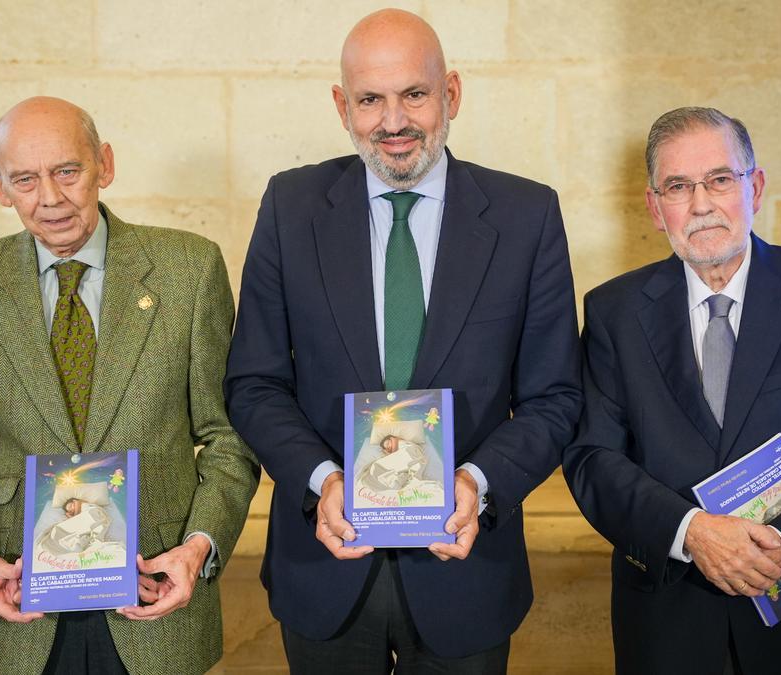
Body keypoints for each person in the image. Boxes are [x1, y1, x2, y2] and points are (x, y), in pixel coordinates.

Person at [224, 8, 582, 672]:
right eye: (370, 100)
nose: (393, 121)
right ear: (342, 106)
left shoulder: (527, 217)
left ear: (451, 94)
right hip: (324, 566)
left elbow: (555, 397)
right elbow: (254, 383)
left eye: (414, 94)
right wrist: (322, 480)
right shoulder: (289, 208)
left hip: (466, 569)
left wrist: (478, 482)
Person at [0, 96, 259, 675]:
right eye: (25, 179)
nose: (49, 198)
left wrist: (198, 547)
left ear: (105, 163)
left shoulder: (189, 268)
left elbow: (228, 438)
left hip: (155, 600)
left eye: (67, 171)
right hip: (20, 611)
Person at [563, 106, 781, 674]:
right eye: (678, 186)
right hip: (667, 626)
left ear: (756, 186)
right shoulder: (613, 311)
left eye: (720, 180)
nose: (701, 205)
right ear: (655, 206)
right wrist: (692, 533)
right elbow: (592, 460)